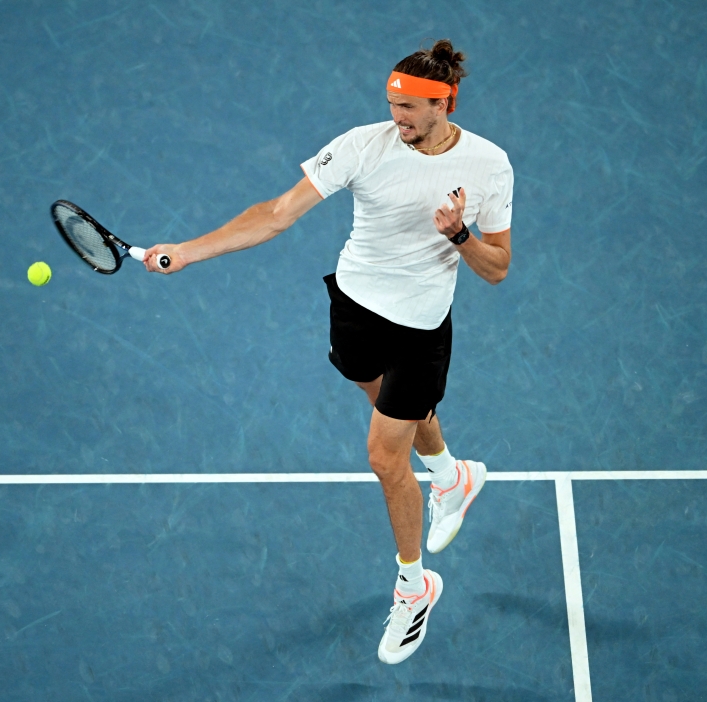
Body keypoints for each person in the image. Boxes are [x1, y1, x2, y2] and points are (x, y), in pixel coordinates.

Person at [143, 39, 513, 664]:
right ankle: (454, 475)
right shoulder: (362, 146)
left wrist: (460, 236)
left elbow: (498, 267)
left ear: (445, 102)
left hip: (422, 329)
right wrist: (188, 250)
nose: (399, 119)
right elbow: (277, 213)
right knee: (391, 403)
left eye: (413, 110)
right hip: (354, 310)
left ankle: (414, 584)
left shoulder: (488, 166)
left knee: (383, 456)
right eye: (393, 106)